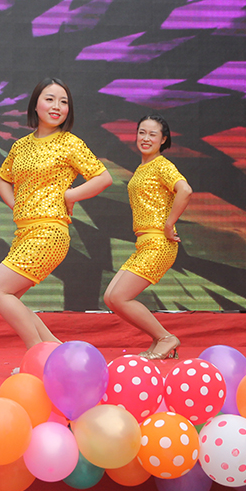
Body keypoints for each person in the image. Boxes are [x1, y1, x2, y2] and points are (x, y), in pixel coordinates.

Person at [0, 77, 113, 348]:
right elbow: (3, 179)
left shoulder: (69, 143)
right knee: (7, 297)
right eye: (50, 99)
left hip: (49, 232)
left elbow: (103, 178)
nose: (57, 106)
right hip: (24, 233)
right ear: (35, 104)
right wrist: (17, 205)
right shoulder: (20, 146)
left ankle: (37, 354)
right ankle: (54, 350)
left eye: (63, 102)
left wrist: (70, 195)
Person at [104, 115, 192, 360]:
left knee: (119, 297)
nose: (145, 138)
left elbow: (185, 190)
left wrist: (169, 223)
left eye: (153, 134)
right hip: (144, 243)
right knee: (111, 298)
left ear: (163, 140)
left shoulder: (162, 165)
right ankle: (157, 338)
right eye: (142, 132)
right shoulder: (143, 168)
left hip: (158, 243)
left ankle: (166, 338)